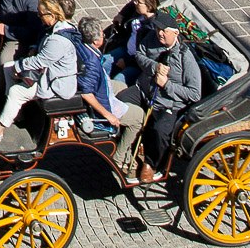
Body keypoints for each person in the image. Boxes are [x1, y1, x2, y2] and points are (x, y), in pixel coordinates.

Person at [113, 11, 203, 176]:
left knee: (159, 131)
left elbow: (194, 93)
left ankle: (152, 163)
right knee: (119, 103)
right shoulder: (151, 39)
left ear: (175, 33)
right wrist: (154, 67)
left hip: (167, 103)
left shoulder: (185, 58)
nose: (160, 33)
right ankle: (123, 146)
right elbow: (139, 55)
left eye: (164, 31)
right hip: (144, 91)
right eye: (158, 29)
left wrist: (166, 85)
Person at [0, 0, 79, 141]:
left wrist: (19, 67)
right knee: (8, 67)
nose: (40, 18)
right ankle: (17, 114)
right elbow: (41, 45)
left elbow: (40, 61)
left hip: (55, 84)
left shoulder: (59, 40)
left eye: (42, 15)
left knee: (16, 91)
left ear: (52, 15)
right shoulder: (53, 29)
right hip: (47, 75)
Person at [72, 13, 141, 155]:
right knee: (139, 116)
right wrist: (108, 115)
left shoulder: (81, 46)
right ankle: (121, 157)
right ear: (96, 41)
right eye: (102, 34)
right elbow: (87, 93)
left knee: (123, 87)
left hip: (101, 86)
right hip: (100, 101)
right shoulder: (91, 62)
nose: (104, 35)